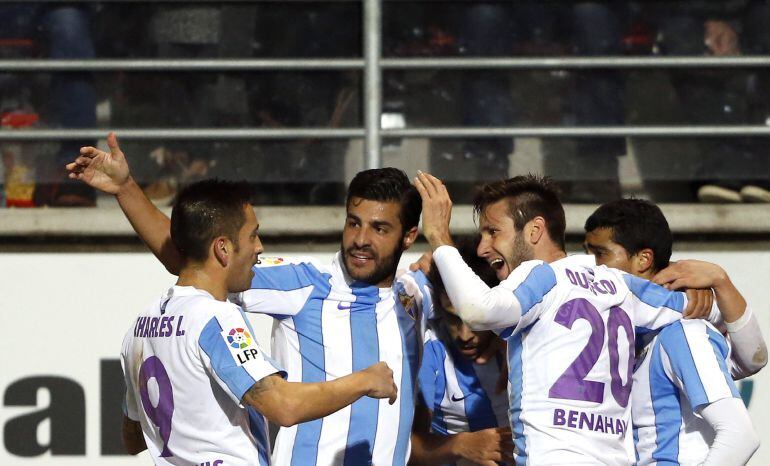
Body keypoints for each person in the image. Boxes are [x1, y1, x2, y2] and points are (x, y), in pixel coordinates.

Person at [68, 135, 451, 465]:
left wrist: (442, 242)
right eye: (354, 222)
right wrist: (127, 189)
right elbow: (194, 257)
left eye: (379, 228)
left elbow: (482, 310)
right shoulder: (305, 283)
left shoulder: (416, 292)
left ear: (408, 235)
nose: (361, 238)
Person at [413, 171, 741, 464]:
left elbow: (478, 310)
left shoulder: (540, 277)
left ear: (534, 230)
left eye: (493, 232)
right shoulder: (618, 284)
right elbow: (734, 331)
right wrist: (715, 287)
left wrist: (440, 236)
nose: (485, 248)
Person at [120, 179, 398, 465]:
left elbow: (133, 437)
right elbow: (283, 405)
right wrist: (365, 380)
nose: (259, 248)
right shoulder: (216, 318)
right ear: (223, 249)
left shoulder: (140, 328)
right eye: (253, 236)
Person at [583, 198, 764, 464]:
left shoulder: (682, 333)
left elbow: (740, 435)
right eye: (586, 252)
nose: (589, 266)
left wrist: (719, 281)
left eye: (600, 253)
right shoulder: (625, 334)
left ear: (643, 259)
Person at [410, 236, 512, 466]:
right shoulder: (430, 350)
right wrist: (460, 445)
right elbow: (406, 447)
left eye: (477, 321)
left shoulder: (525, 338)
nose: (465, 335)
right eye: (454, 318)